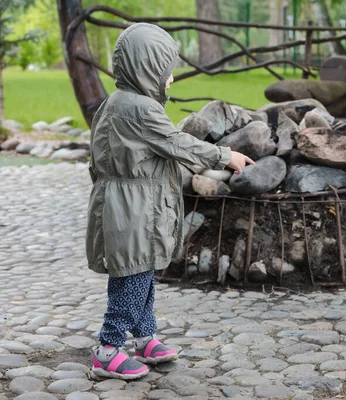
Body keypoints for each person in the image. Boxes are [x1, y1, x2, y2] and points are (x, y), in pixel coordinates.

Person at [86, 23, 254, 380]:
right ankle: (108, 348)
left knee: (142, 269)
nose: (172, 78)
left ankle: (145, 337)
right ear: (145, 69)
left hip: (129, 202)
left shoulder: (116, 102)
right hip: (131, 207)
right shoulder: (139, 109)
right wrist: (225, 156)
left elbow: (96, 156)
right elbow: (178, 143)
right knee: (131, 276)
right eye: (166, 71)